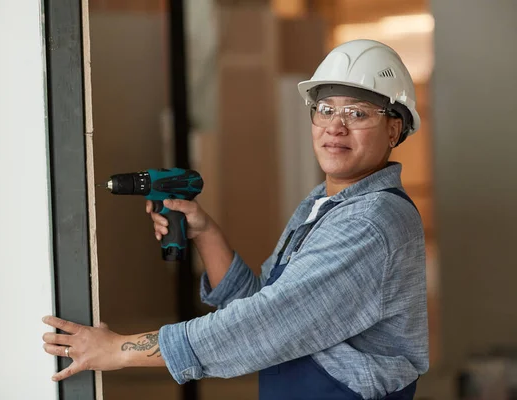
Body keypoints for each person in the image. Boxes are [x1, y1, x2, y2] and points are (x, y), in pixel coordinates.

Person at [43, 39, 429, 399]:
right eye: (325, 109)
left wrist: (120, 350)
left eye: (357, 113)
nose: (334, 126)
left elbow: (266, 325)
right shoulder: (325, 204)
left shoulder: (371, 222)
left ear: (394, 129)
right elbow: (263, 302)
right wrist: (204, 231)